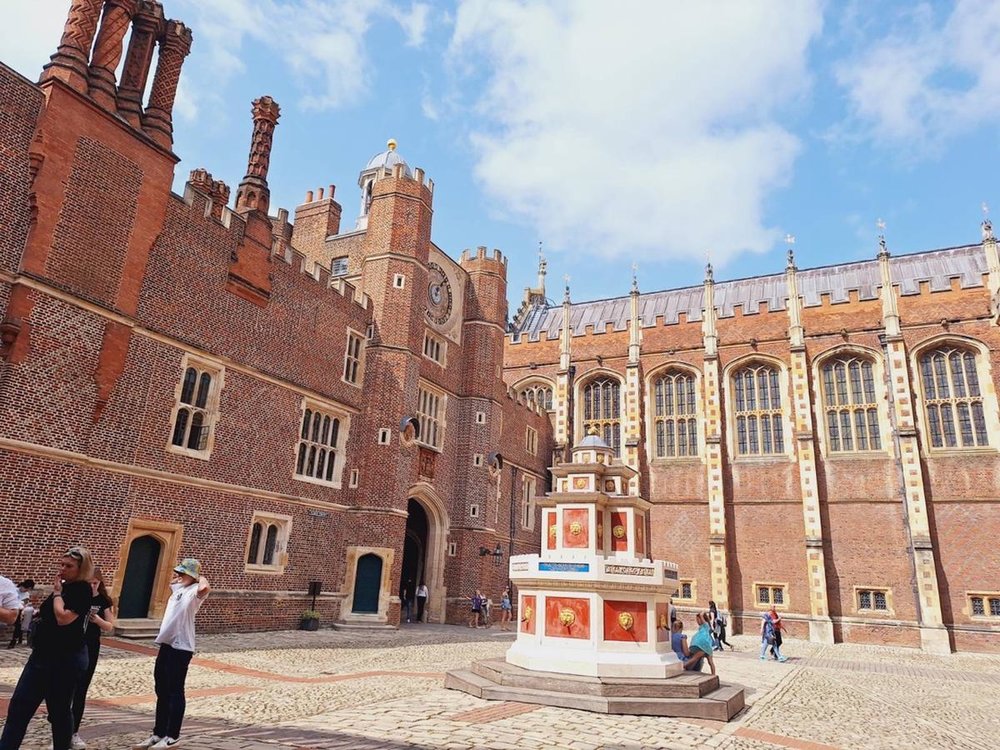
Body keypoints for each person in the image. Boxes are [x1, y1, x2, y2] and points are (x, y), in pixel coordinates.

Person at [0, 547, 95, 750]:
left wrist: (57, 593)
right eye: (61, 564)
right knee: (19, 708)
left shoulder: (82, 590)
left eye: (68, 566)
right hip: (41, 657)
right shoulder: (64, 587)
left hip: (65, 660)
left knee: (59, 711)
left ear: (81, 569)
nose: (62, 569)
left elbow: (63, 618)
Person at [132, 558, 210, 750]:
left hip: (182, 646)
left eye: (183, 573)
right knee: (162, 690)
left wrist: (198, 576)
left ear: (192, 576)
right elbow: (172, 582)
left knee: (175, 690)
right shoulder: (179, 590)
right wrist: (180, 579)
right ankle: (158, 733)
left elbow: (205, 587)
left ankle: (172, 735)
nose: (179, 576)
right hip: (166, 644)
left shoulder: (194, 592)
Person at [70, 567, 116, 749]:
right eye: (89, 583)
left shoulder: (103, 600)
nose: (92, 586)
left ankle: (73, 732)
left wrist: (97, 620)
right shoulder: (77, 596)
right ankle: (60, 727)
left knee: (81, 689)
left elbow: (110, 626)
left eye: (96, 583)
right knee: (65, 687)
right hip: (71, 644)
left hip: (90, 647)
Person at [7, 579, 34, 648]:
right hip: (9, 608)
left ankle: (14, 639)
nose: (25, 590)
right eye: (25, 589)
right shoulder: (14, 590)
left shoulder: (26, 595)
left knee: (18, 622)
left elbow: (24, 604)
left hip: (18, 610)